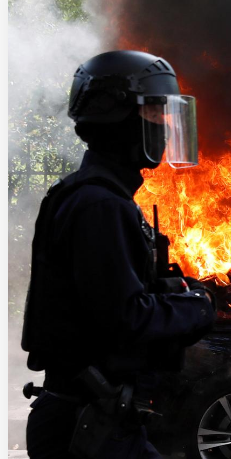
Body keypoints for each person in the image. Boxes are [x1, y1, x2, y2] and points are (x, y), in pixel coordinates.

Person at [21, 50, 216, 459]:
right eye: (154, 115)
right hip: (89, 423)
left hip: (95, 417)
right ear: (120, 120)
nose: (164, 128)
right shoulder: (101, 206)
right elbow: (125, 317)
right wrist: (197, 306)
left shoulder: (88, 195)